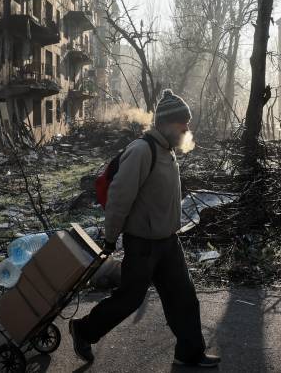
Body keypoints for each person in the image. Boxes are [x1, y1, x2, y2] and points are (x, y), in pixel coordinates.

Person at [69, 90, 220, 368]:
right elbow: (119, 197)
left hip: (168, 241)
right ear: (164, 123)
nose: (186, 127)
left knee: (184, 298)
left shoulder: (167, 151)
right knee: (129, 299)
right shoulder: (142, 150)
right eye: (181, 122)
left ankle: (189, 353)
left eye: (187, 122)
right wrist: (111, 237)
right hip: (143, 244)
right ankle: (84, 330)